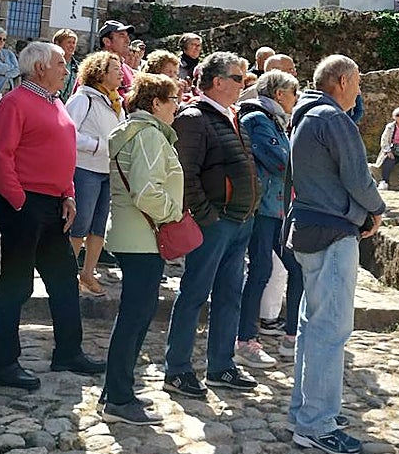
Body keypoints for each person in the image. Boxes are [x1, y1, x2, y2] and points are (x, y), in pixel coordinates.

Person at [0, 42, 106, 391]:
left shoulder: (54, 102)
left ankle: (69, 351)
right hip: (24, 203)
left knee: (64, 280)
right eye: (60, 63)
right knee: (16, 284)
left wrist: (67, 193)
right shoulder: (15, 102)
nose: (66, 69)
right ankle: (2, 363)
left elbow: (61, 151)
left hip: (53, 203)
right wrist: (19, 200)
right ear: (39, 68)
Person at [286, 55, 384, 454]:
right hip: (332, 229)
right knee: (330, 329)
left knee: (312, 326)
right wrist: (377, 209)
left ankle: (305, 413)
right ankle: (316, 423)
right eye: (357, 82)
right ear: (341, 81)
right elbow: (357, 176)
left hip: (308, 226)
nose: (359, 90)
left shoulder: (303, 115)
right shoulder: (332, 118)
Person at [163, 52, 261, 399]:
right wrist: (208, 216)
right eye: (238, 78)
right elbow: (185, 174)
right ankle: (177, 369)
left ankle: (221, 365)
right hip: (216, 222)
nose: (242, 84)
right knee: (194, 294)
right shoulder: (194, 118)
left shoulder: (231, 116)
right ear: (217, 82)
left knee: (229, 295)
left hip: (238, 221)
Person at [101, 72, 184, 426]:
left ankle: (116, 389)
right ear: (155, 103)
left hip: (133, 235)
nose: (177, 107)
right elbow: (147, 190)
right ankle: (119, 396)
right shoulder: (149, 136)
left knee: (134, 315)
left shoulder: (134, 132)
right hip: (143, 238)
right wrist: (175, 213)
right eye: (173, 100)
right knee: (135, 316)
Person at [235, 69, 303, 369]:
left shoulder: (274, 120)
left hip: (277, 209)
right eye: (293, 92)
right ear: (278, 94)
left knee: (295, 267)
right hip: (263, 209)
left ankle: (292, 337)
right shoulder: (257, 120)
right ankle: (245, 341)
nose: (296, 98)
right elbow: (280, 161)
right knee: (260, 270)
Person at [65, 51, 127, 297]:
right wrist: (100, 146)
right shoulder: (83, 100)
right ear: (100, 73)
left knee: (99, 226)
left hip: (106, 170)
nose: (121, 74)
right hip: (85, 169)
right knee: (80, 224)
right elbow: (67, 133)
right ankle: (67, 274)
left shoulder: (115, 102)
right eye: (115, 69)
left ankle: (88, 274)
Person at [98, 20, 137, 94]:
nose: (128, 41)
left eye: (127, 36)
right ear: (107, 41)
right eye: (122, 35)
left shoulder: (129, 71)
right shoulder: (94, 71)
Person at [53, 29, 79, 103]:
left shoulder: (78, 68)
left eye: (74, 43)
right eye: (69, 42)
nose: (72, 46)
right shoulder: (48, 65)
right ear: (57, 44)